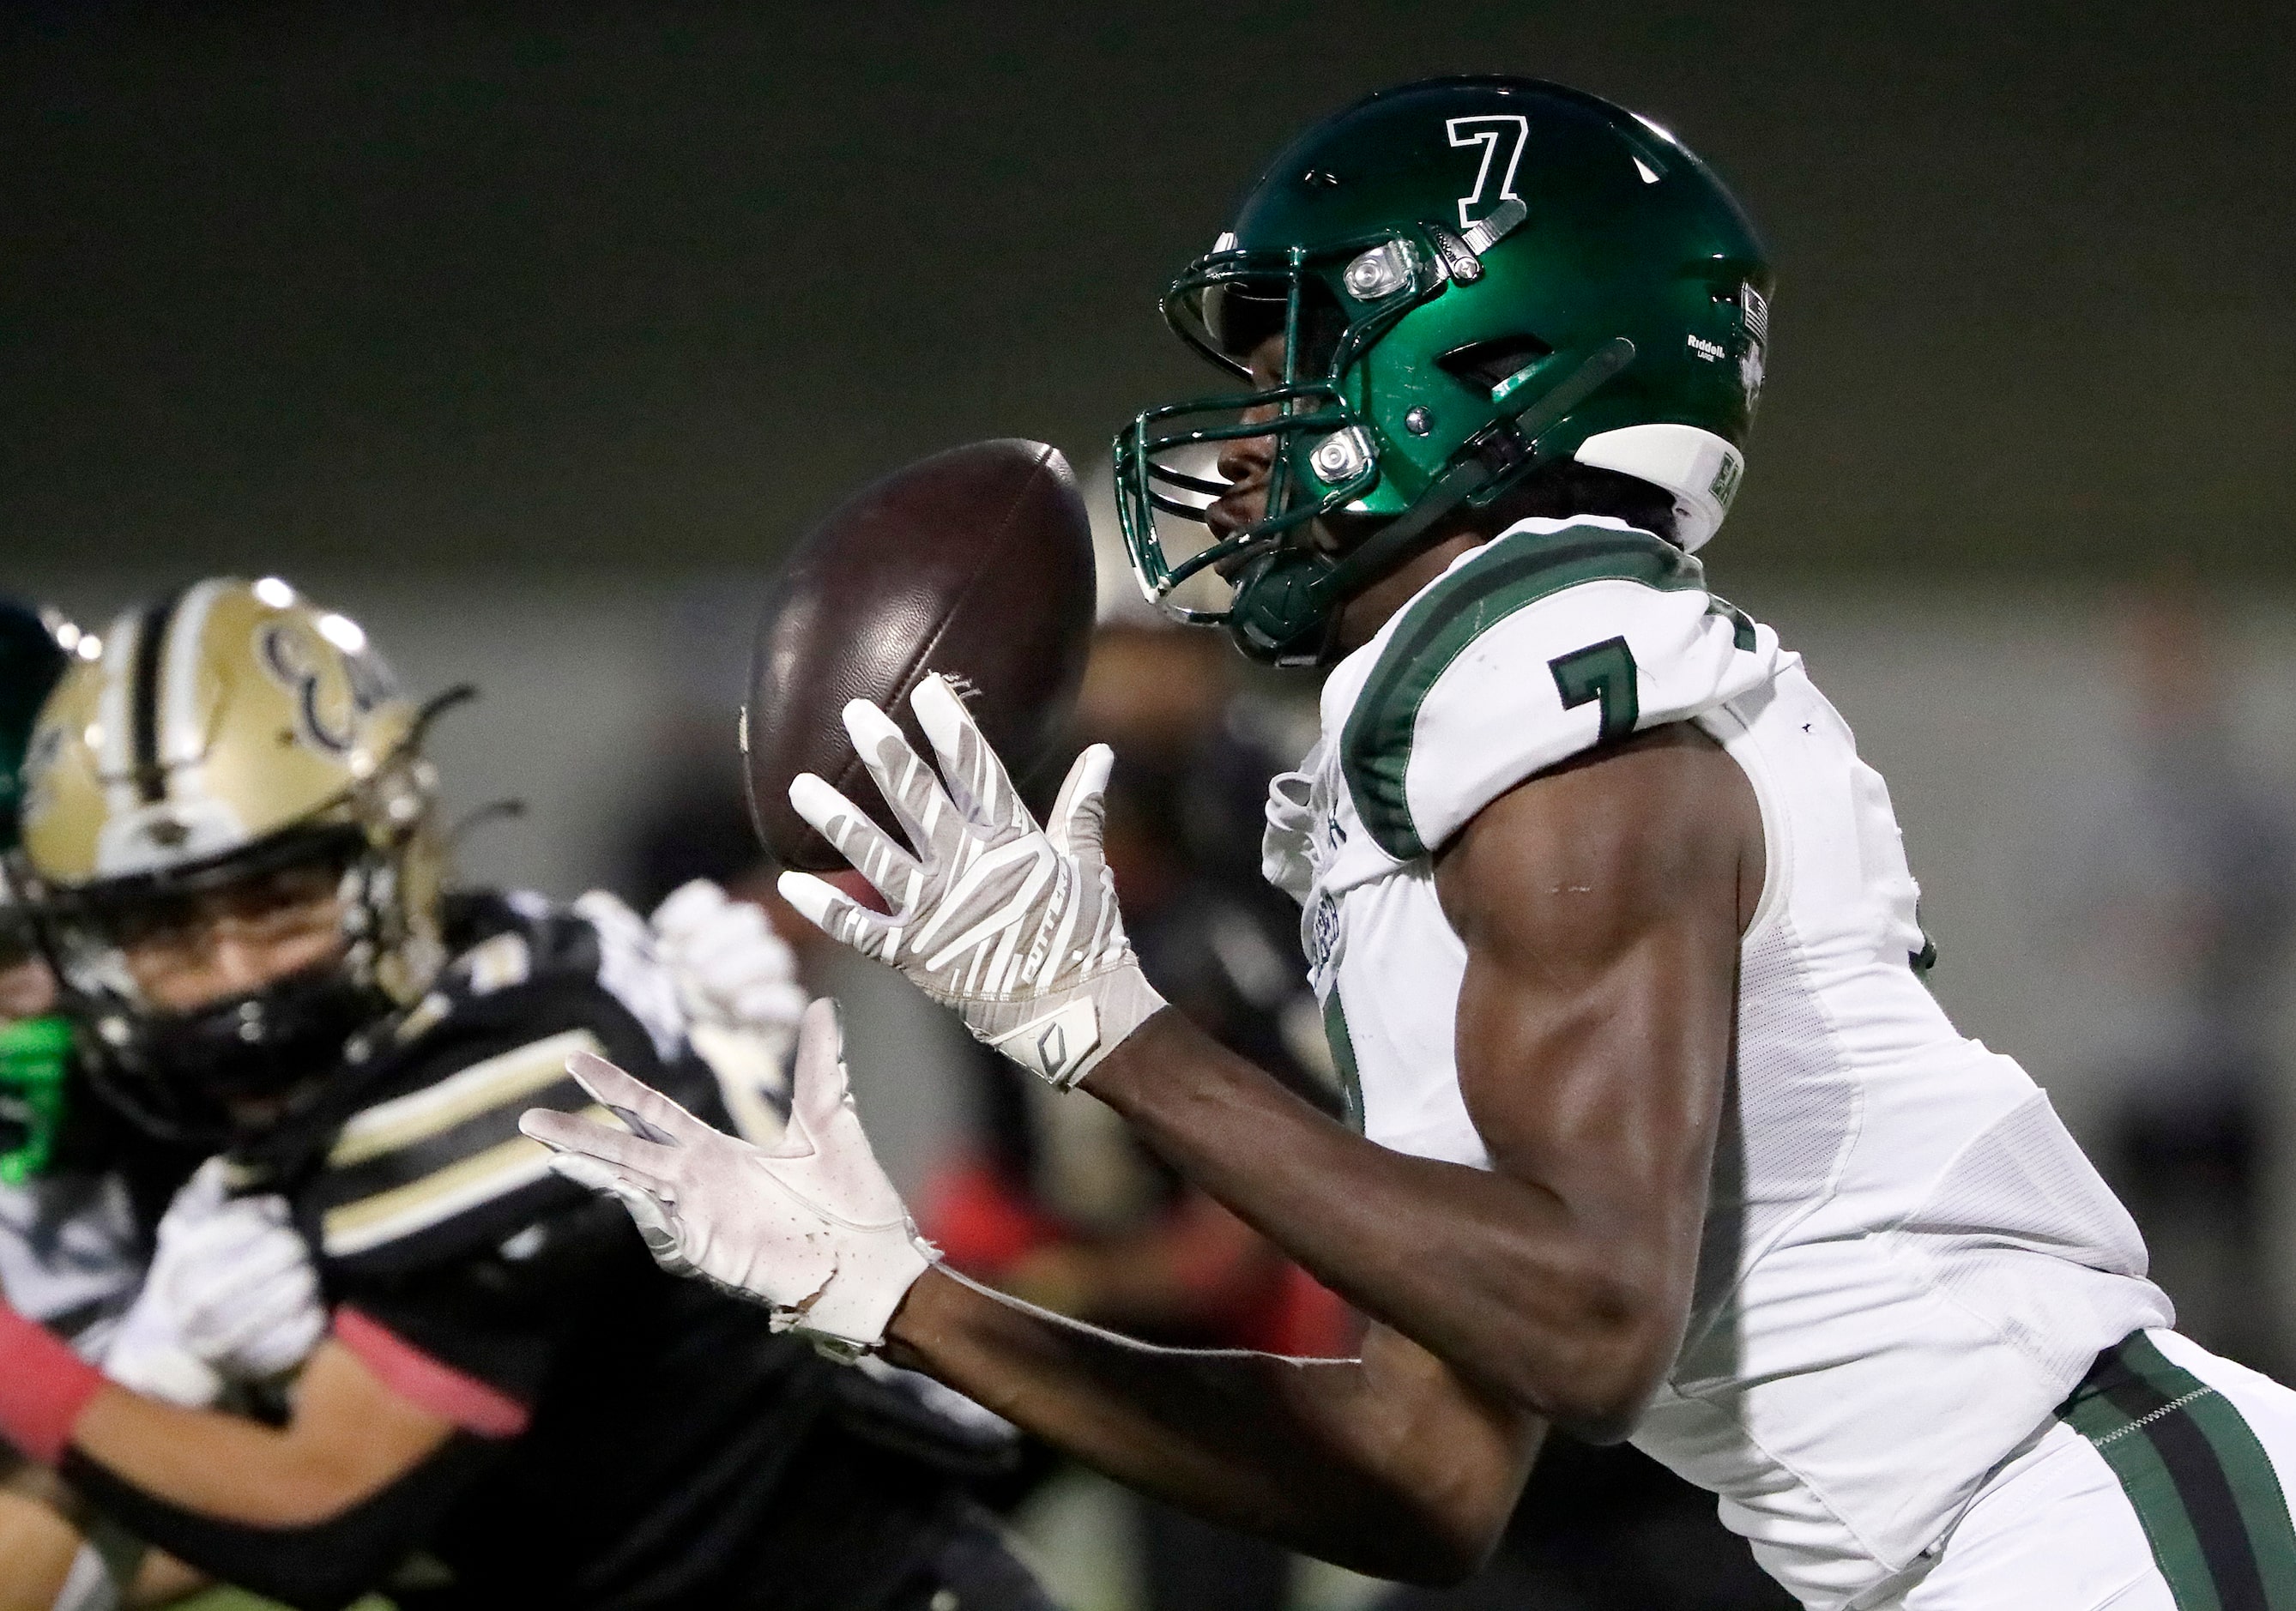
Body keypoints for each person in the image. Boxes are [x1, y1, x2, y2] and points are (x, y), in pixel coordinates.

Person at [529, 78, 2296, 1611]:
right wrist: (891, 1292)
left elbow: (1592, 1329)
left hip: (2108, 1524)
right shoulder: (1449, 740)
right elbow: (1421, 1477)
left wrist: (1107, 1033)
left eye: (1305, 359)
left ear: (1488, 364)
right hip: (1999, 1537)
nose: (1254, 436)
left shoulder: (1557, 701)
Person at [0, 577, 1048, 1611]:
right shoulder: (170, 1120)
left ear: (391, 854)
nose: (233, 974)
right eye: (167, 926)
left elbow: (318, 1520)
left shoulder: (510, 1068)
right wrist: (152, 1385)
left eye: (278, 900)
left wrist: (84, 1380)